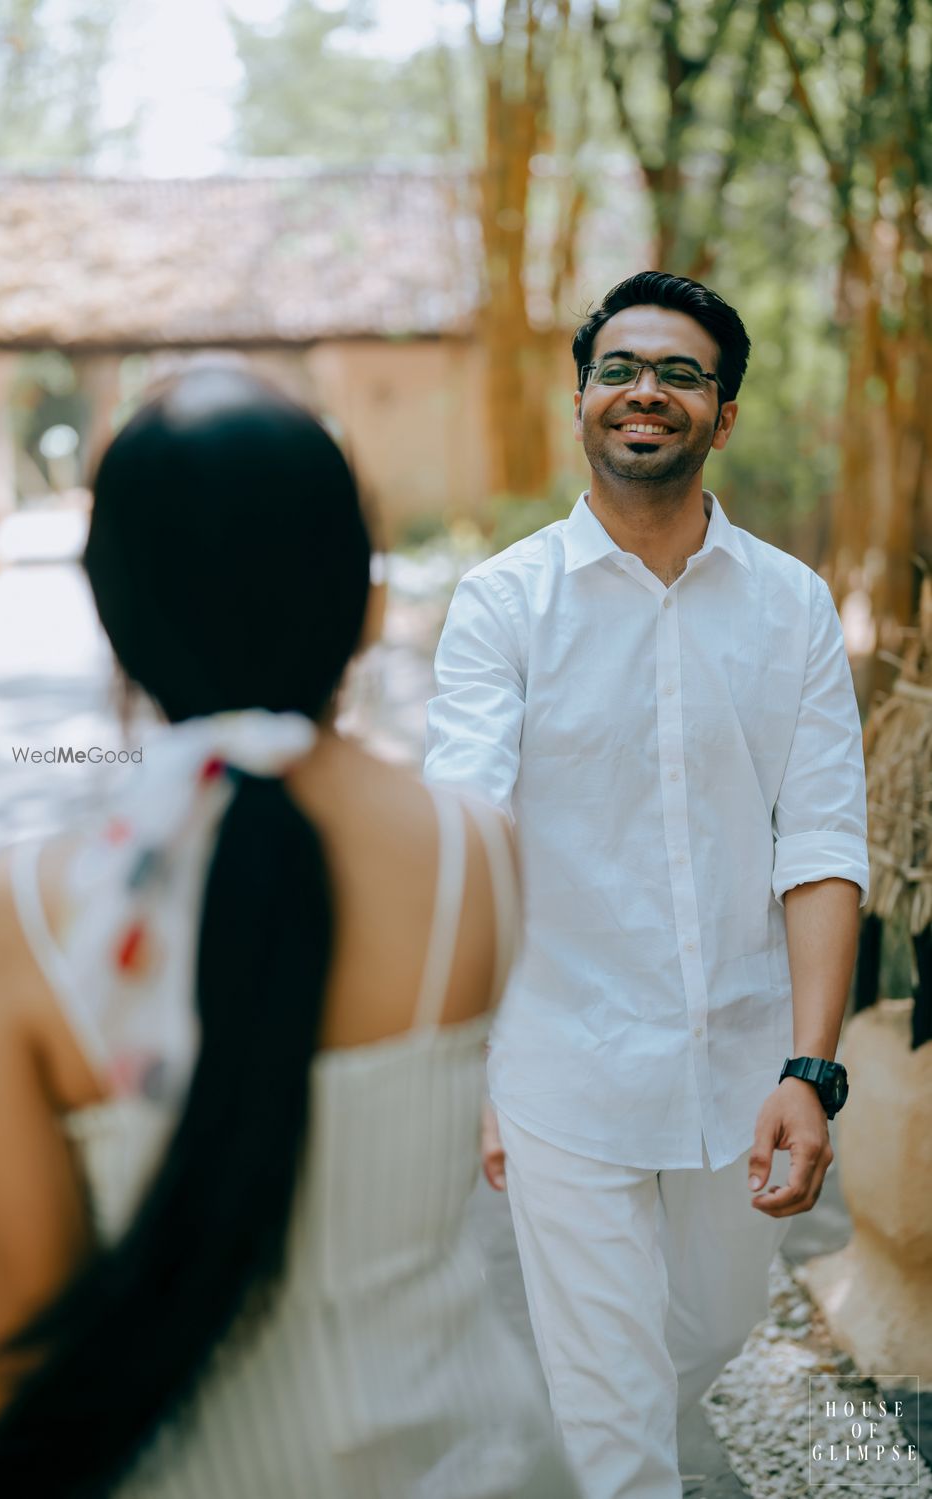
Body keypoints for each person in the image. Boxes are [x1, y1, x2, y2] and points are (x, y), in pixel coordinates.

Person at [0, 370, 578, 1498]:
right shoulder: (475, 856)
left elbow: (33, 1319)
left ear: (112, 612)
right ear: (365, 599)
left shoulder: (17, 920)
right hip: (471, 1462)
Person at [425, 272, 868, 1499]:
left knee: (705, 1334)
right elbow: (469, 827)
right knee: (621, 1435)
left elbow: (823, 841)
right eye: (621, 367)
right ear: (581, 399)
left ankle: (595, 1407)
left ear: (721, 416)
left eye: (679, 374)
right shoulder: (503, 604)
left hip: (741, 1064)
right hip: (561, 1060)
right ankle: (603, 1431)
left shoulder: (788, 605)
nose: (646, 391)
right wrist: (470, 1066)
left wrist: (809, 1066)